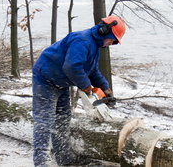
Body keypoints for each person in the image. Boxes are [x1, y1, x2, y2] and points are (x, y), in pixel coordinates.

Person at [32, 15, 126, 166]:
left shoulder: (95, 45)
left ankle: (63, 157)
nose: (111, 43)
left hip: (61, 82)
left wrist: (105, 87)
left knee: (63, 119)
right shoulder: (82, 41)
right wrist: (87, 87)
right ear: (104, 31)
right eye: (112, 39)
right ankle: (41, 161)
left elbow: (92, 69)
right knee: (45, 120)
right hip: (46, 79)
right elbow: (72, 67)